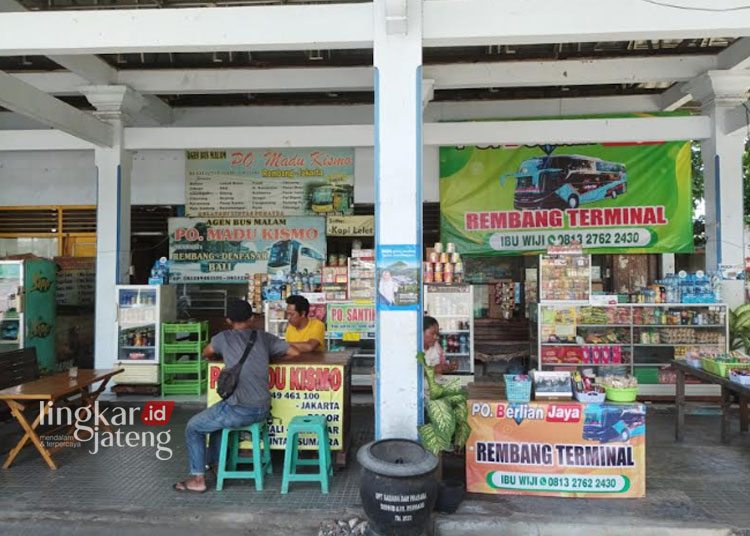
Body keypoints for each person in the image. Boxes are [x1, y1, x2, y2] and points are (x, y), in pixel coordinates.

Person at [174, 298, 300, 493]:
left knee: (193, 428)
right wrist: (267, 357)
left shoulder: (223, 338)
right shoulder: (264, 338)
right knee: (214, 420)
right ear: (252, 318)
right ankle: (216, 465)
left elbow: (205, 352)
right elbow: (294, 352)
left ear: (228, 320)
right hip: (264, 409)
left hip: (239, 410)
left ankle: (198, 478)